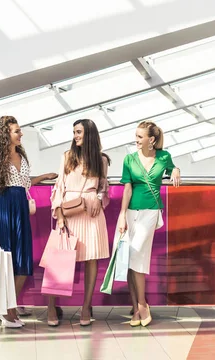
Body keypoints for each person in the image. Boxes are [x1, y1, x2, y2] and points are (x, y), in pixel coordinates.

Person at [0, 115, 57, 328]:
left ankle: (9, 307)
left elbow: (24, 183)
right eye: (17, 131)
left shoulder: (22, 157)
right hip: (4, 210)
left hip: (21, 211)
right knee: (7, 261)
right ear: (5, 134)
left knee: (23, 261)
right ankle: (7, 310)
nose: (21, 133)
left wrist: (43, 177)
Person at [116, 120, 181, 327]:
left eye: (140, 137)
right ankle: (136, 309)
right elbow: (127, 189)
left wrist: (176, 169)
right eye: (135, 136)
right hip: (131, 213)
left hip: (150, 212)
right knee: (133, 259)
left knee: (136, 254)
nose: (136, 140)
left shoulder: (164, 156)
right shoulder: (129, 159)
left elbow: (171, 169)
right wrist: (121, 214)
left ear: (151, 139)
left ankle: (142, 304)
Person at [47, 119, 111, 327]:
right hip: (69, 211)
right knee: (59, 260)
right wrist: (60, 214)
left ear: (89, 134)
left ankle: (86, 306)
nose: (75, 136)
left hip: (91, 213)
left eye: (79, 132)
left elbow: (103, 187)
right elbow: (59, 187)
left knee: (91, 260)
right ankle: (51, 306)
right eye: (74, 132)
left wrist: (99, 200)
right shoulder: (67, 156)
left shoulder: (100, 160)